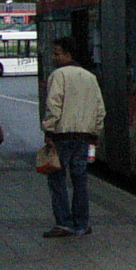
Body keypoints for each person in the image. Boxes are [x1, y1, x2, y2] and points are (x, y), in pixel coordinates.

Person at [41, 36, 106, 238]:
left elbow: (54, 106)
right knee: (80, 179)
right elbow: (99, 109)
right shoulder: (90, 77)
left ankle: (64, 223)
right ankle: (82, 223)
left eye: (56, 53)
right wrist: (95, 132)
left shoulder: (58, 76)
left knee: (57, 179)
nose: (53, 57)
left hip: (62, 136)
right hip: (84, 137)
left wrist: (49, 131)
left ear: (68, 54)